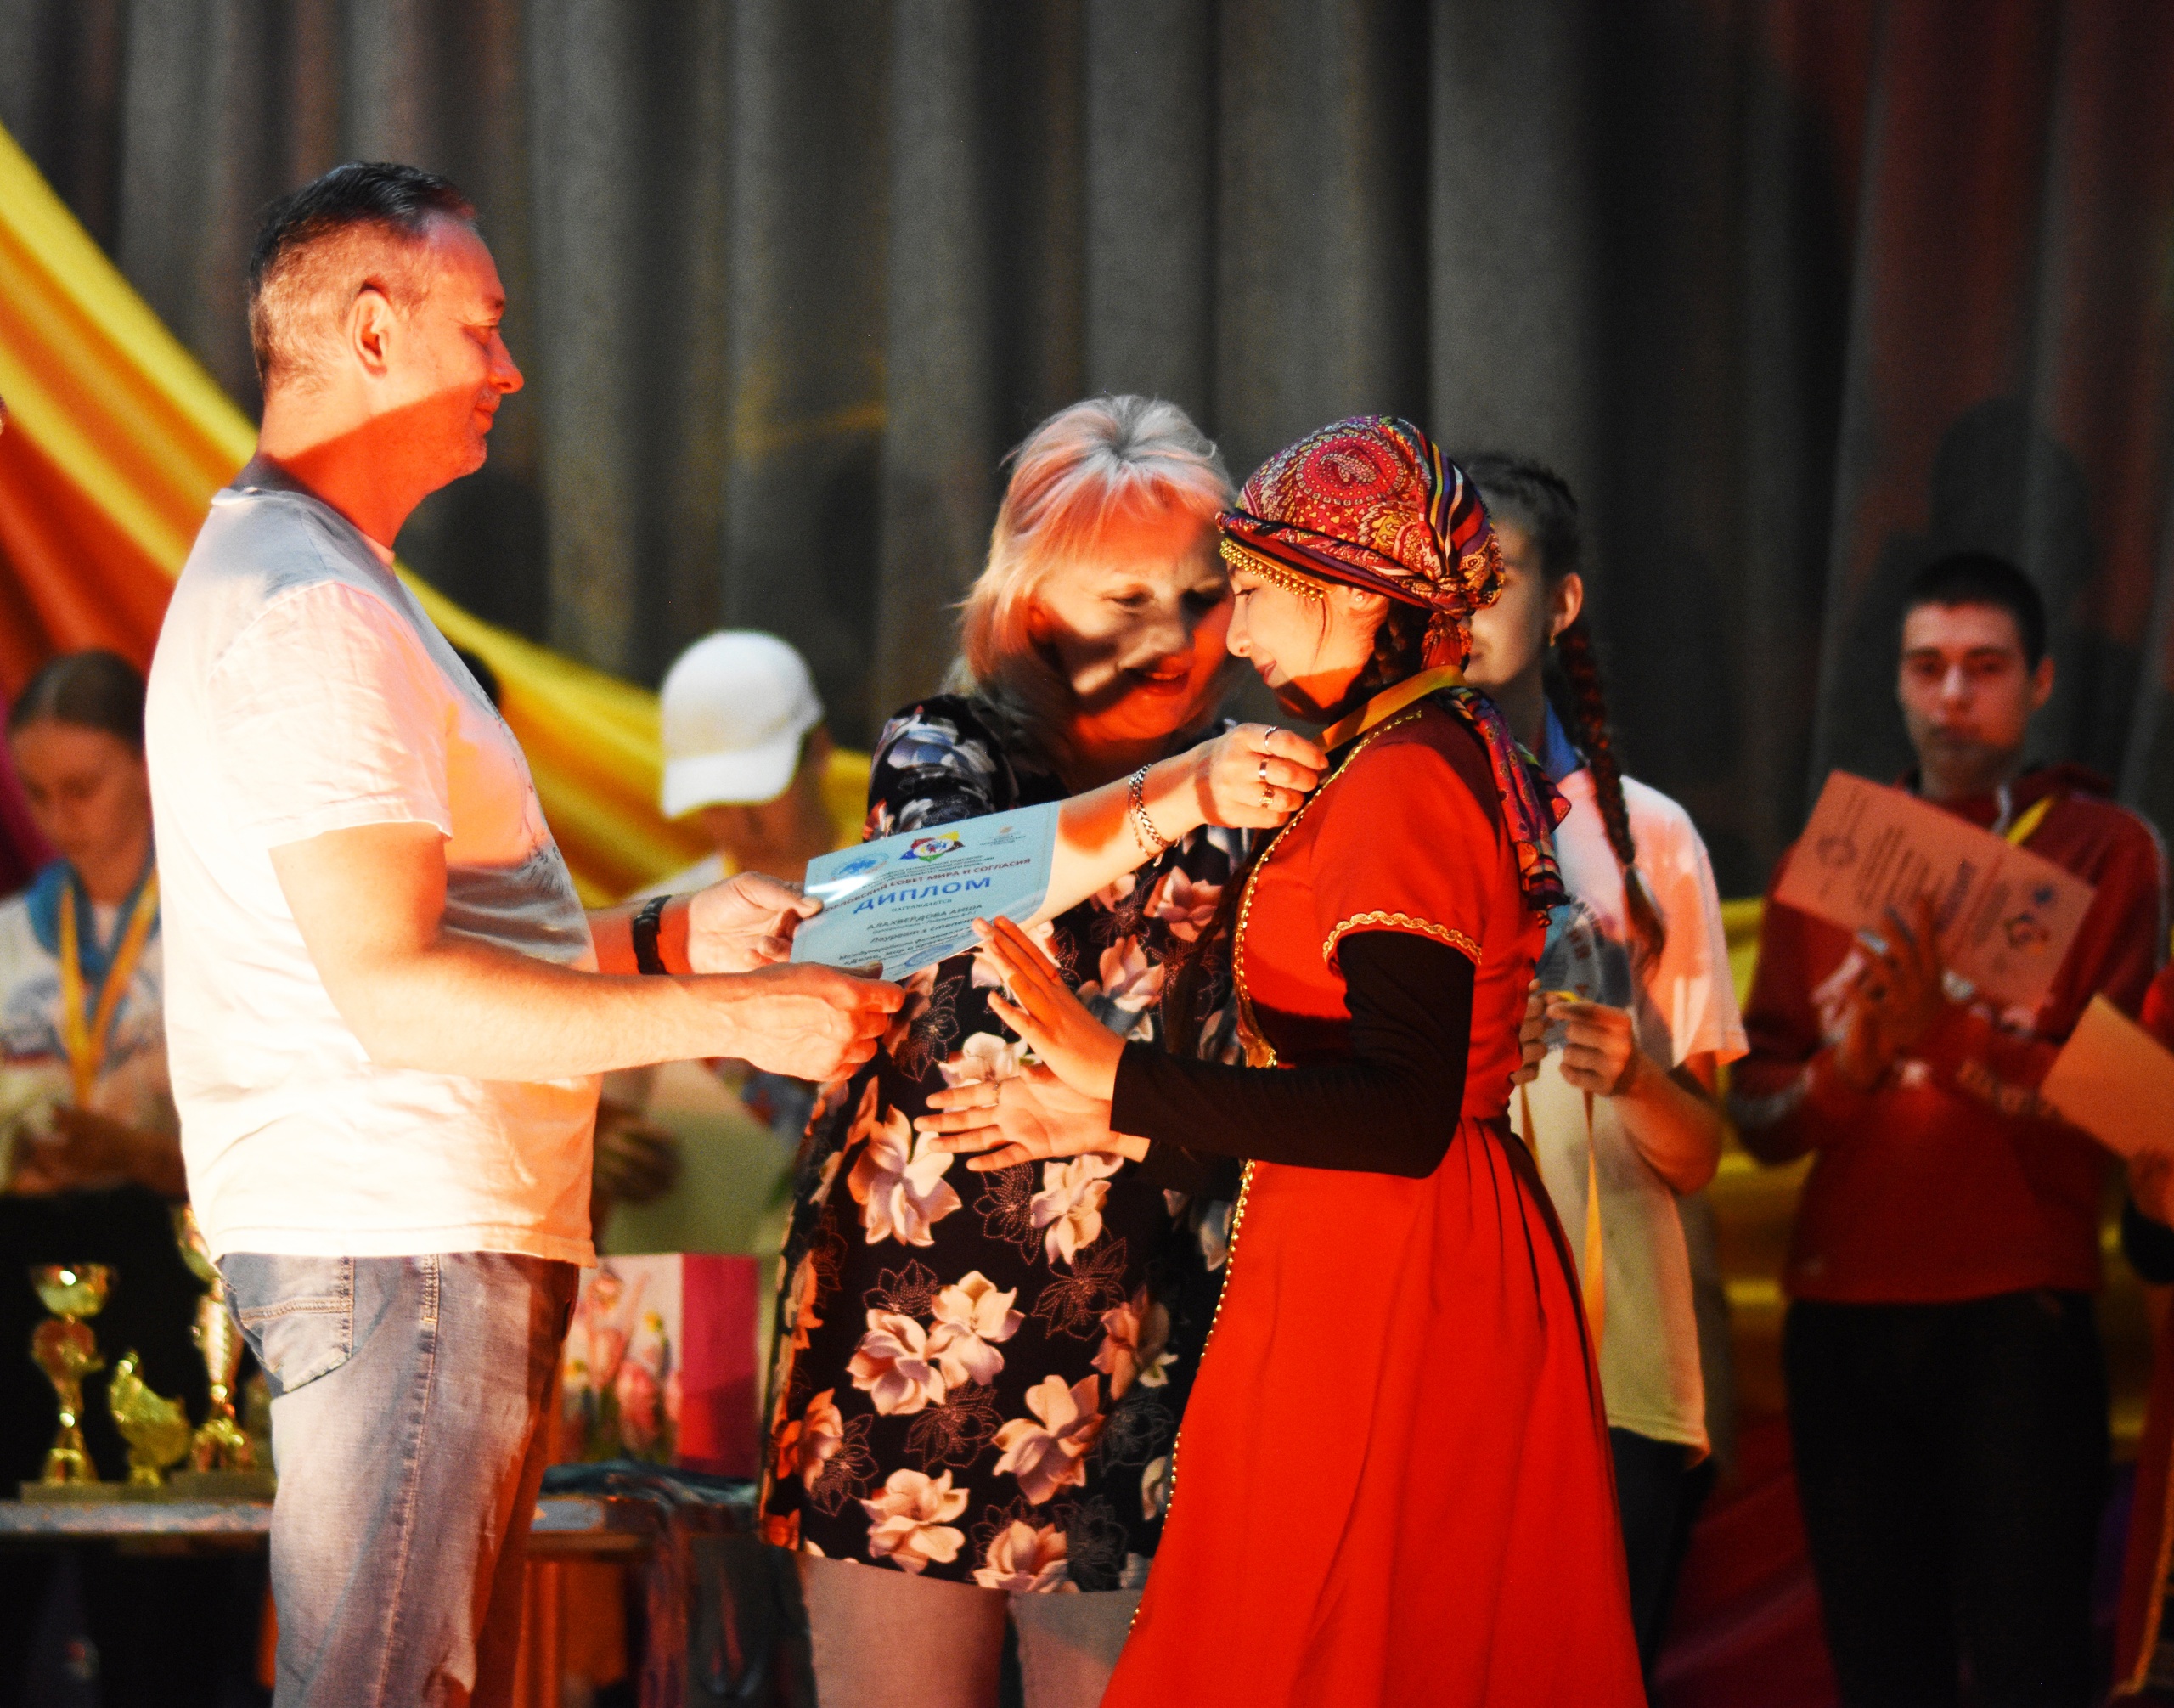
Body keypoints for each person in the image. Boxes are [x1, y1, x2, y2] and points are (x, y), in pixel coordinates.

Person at [144, 161, 901, 1708]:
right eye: (481, 326)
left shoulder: (324, 581)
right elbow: (399, 995)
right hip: (402, 1237)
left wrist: (672, 942)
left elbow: (442, 947)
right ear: (372, 329)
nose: (511, 366)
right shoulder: (308, 607)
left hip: (420, 1238)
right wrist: (739, 1019)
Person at [923, 417, 1645, 1705]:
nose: (1236, 632)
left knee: (1337, 1646)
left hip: (1395, 1267)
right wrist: (1109, 1112)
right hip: (1380, 1241)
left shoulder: (1406, 775)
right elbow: (1334, 1095)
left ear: (1356, 596)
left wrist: (1114, 1070)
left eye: (1255, 590)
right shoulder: (1410, 753)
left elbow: (1400, 1109)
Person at [757, 395, 1326, 1708]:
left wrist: (1131, 1112)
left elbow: (1308, 1093)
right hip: (907, 1355)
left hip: (1145, 1354)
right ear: (1028, 603)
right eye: (1126, 596)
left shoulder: (1259, 781)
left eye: (1201, 595)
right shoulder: (943, 747)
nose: (1173, 635)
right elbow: (895, 907)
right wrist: (1169, 798)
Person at [1730, 550, 2166, 1708]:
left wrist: (1955, 1032)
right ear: (1896, 681)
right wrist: (1851, 1067)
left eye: (1985, 667)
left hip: (2018, 1311)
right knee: (1882, 1668)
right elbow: (1759, 1118)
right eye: (1927, 667)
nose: (1953, 694)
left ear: (2040, 681)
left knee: (2030, 1663)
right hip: (1841, 1313)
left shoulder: (2102, 848)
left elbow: (2134, 1110)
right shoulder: (1827, 858)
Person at [1458, 454, 1745, 1677]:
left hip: (1608, 1357)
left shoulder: (1649, 838)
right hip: (1428, 1356)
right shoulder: (1365, 812)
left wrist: (1631, 1074)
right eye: (1432, 576)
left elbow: (1700, 1153)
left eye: (1492, 575)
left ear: (1561, 601)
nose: (1458, 604)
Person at [0, 651, 262, 1707]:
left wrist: (138, 1153)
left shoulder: (230, 928)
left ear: (149, 766)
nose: (60, 817)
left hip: (178, 1300)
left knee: (163, 1641)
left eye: (84, 786)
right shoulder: (11, 941)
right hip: (22, 1310)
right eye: (36, 793)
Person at [595, 631, 872, 1249]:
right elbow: (596, 1087)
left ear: (818, 749)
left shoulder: (903, 893)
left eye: (758, 792)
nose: (740, 823)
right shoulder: (653, 922)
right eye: (716, 802)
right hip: (708, 1265)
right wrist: (604, 1139)